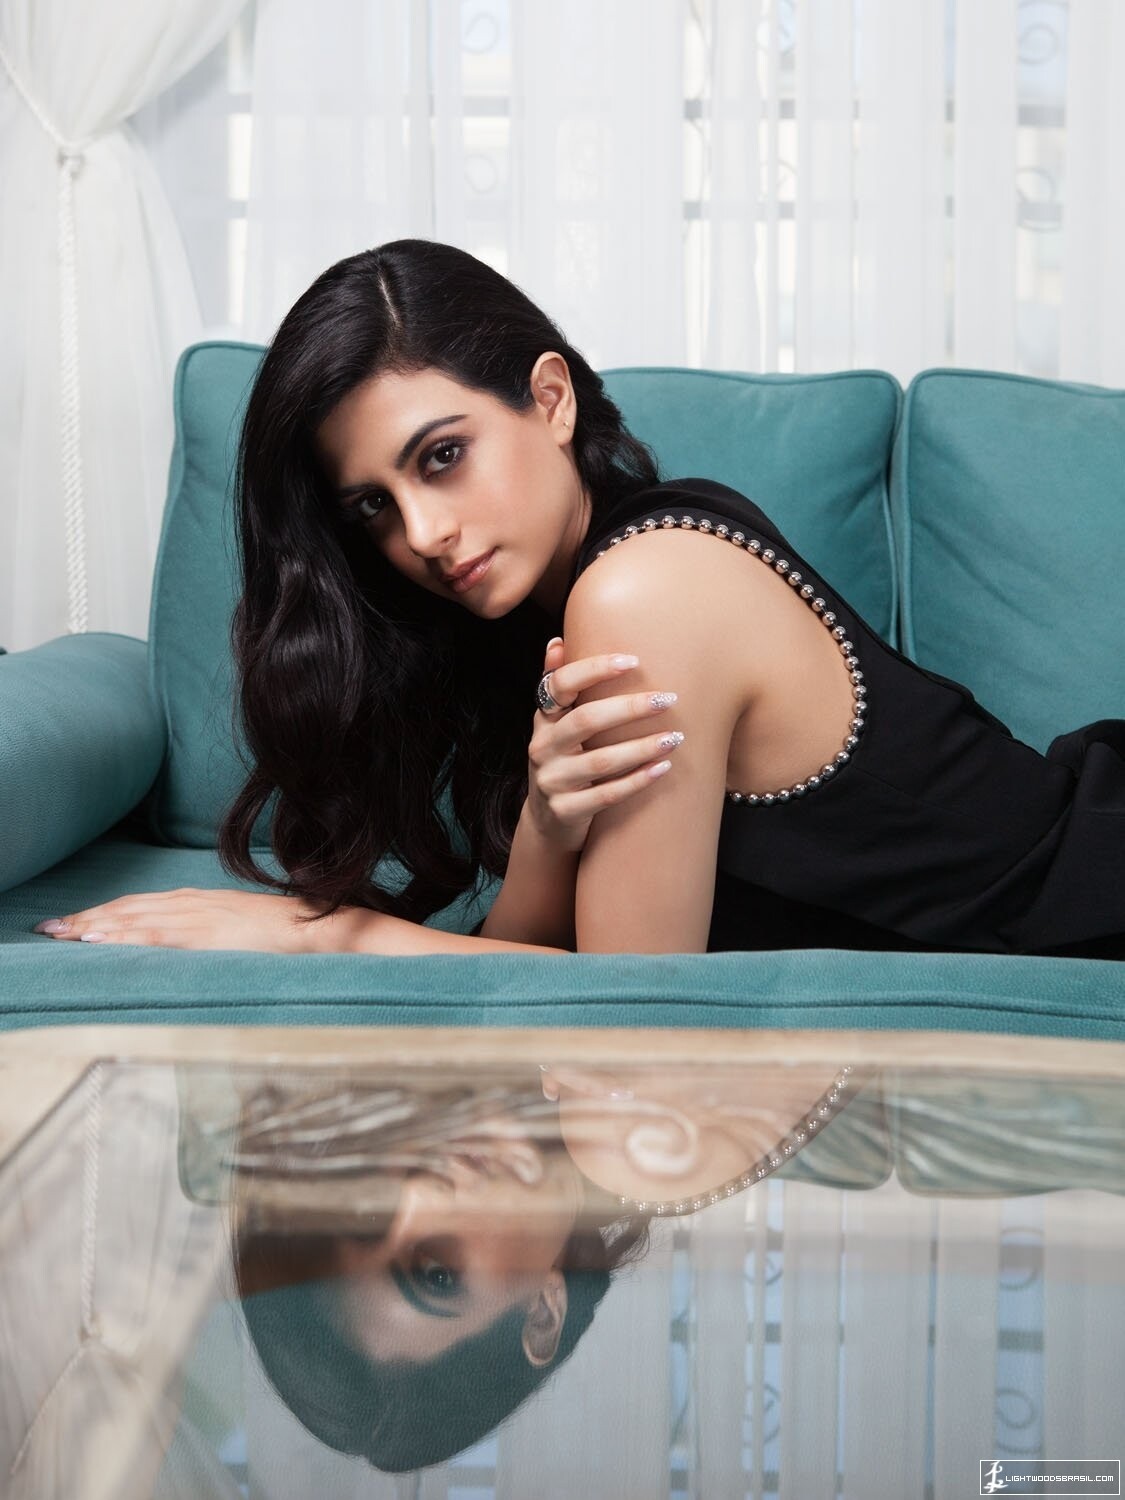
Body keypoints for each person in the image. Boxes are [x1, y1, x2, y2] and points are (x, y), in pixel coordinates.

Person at [33, 239, 1125, 956]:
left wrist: (316, 935)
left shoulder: (646, 590)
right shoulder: (550, 614)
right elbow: (542, 959)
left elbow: (618, 1006)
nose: (422, 534)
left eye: (443, 455)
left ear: (550, 400)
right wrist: (550, 830)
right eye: (373, 507)